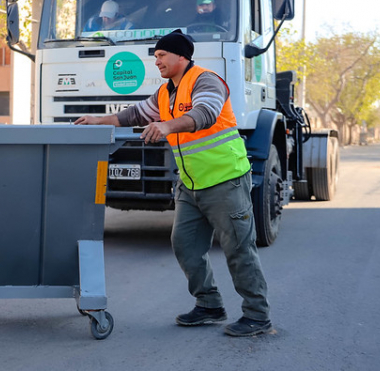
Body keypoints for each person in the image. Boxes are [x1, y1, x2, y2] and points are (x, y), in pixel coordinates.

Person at [75, 29, 271, 337]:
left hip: (225, 180)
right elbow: (135, 114)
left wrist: (166, 126)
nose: (157, 62)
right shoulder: (166, 92)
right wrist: (97, 121)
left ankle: (257, 315)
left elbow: (205, 114)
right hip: (190, 184)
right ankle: (209, 305)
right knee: (185, 245)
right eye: (155, 57)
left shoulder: (207, 80)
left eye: (162, 55)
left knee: (238, 249)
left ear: (182, 56)